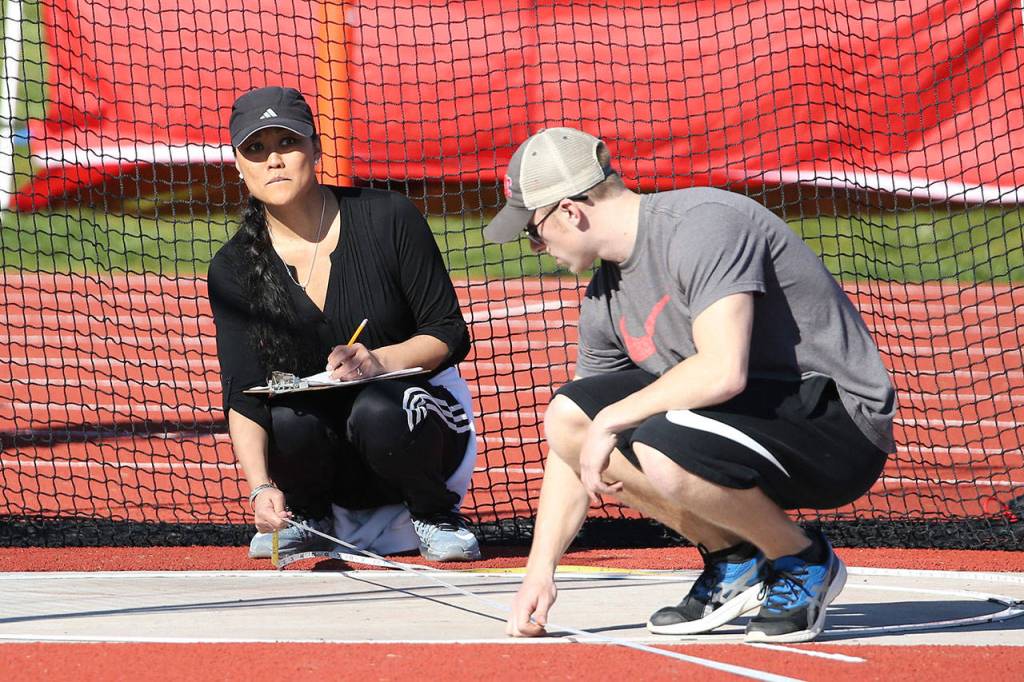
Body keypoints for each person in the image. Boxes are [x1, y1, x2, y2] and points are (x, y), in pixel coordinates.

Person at [485, 128, 895, 642]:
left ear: (570, 211)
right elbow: (575, 441)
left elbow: (723, 369)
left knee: (659, 442)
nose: (536, 246)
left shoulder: (701, 225)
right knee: (570, 415)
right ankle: (735, 554)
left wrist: (614, 419)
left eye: (534, 230)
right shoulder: (603, 297)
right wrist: (540, 571)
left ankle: (802, 559)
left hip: (836, 424)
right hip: (743, 418)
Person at [207, 86, 481, 562]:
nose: (273, 160)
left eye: (286, 143)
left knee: (377, 407)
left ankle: (435, 514)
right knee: (288, 414)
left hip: (416, 427)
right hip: (330, 461)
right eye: (256, 148)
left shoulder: (388, 217)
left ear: (316, 148)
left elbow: (449, 332)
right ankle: (311, 517)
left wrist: (379, 360)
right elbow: (243, 392)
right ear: (238, 163)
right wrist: (259, 489)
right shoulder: (232, 268)